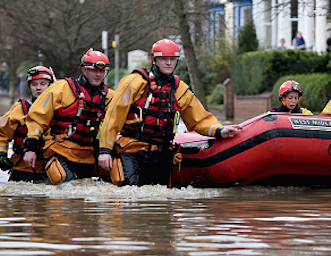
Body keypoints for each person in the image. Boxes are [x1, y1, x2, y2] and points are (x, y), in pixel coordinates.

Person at [97, 39, 239, 187]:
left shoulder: (180, 89)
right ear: (154, 60)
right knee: (130, 191)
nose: (169, 63)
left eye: (172, 59)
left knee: (161, 200)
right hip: (132, 150)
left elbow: (199, 119)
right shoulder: (134, 82)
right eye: (164, 59)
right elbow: (113, 118)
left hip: (161, 153)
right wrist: (105, 151)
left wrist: (220, 130)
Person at [23, 49, 115, 185]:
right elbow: (37, 118)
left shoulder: (110, 97)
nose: (98, 74)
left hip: (87, 155)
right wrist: (30, 149)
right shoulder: (62, 88)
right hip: (59, 150)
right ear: (84, 70)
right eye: (93, 70)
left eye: (101, 71)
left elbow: (114, 125)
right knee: (66, 187)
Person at [0, 66, 56, 182]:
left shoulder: (59, 110)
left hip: (52, 170)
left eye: (42, 84)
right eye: (34, 84)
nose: (38, 88)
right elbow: (0, 133)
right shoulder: (20, 109)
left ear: (50, 85)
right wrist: (2, 156)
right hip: (22, 168)